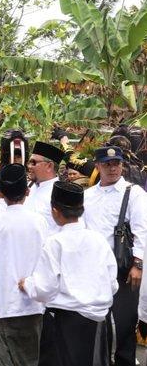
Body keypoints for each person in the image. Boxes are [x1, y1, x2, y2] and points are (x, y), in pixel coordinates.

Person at [21, 181, 118, 366]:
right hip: (98, 321)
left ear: (55, 211)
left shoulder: (55, 242)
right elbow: (112, 283)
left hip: (65, 321)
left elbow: (45, 289)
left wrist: (26, 284)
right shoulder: (98, 240)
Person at [83, 145, 147, 366]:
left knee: (123, 325)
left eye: (117, 163)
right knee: (95, 324)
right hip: (93, 269)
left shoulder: (133, 193)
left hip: (123, 268)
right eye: (107, 164)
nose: (113, 168)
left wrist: (138, 264)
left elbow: (142, 230)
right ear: (98, 166)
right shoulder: (88, 196)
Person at [0, 164, 47, 366]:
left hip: (5, 303)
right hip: (34, 303)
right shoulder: (39, 221)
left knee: (3, 359)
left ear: (0, 192)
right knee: (30, 359)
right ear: (27, 191)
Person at [25, 141, 65, 234]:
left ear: (49, 166)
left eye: (33, 162)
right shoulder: (28, 187)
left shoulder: (61, 193)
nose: (29, 166)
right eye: (29, 162)